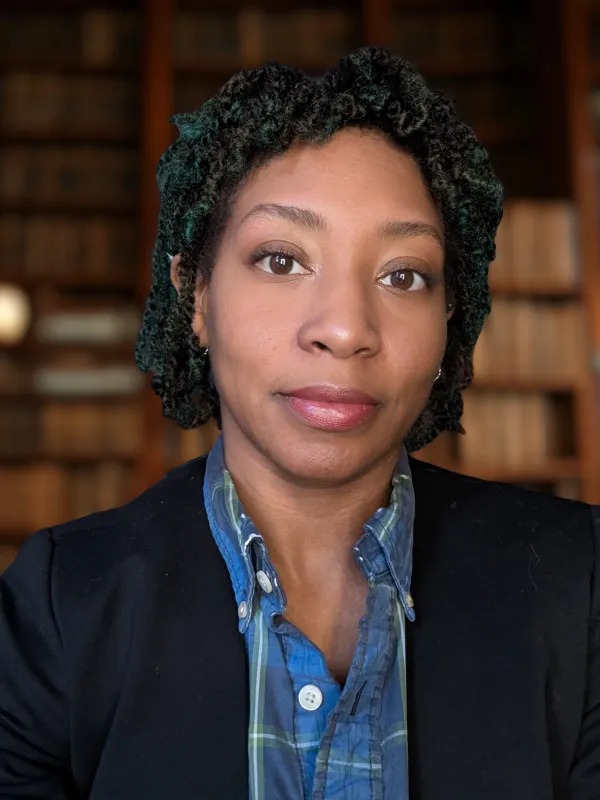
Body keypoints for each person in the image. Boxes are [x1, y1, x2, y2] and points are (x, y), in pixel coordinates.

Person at [0, 46, 598, 800]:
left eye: (403, 275)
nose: (345, 329)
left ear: (451, 317)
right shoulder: (55, 609)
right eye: (281, 260)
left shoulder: (582, 586)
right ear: (197, 296)